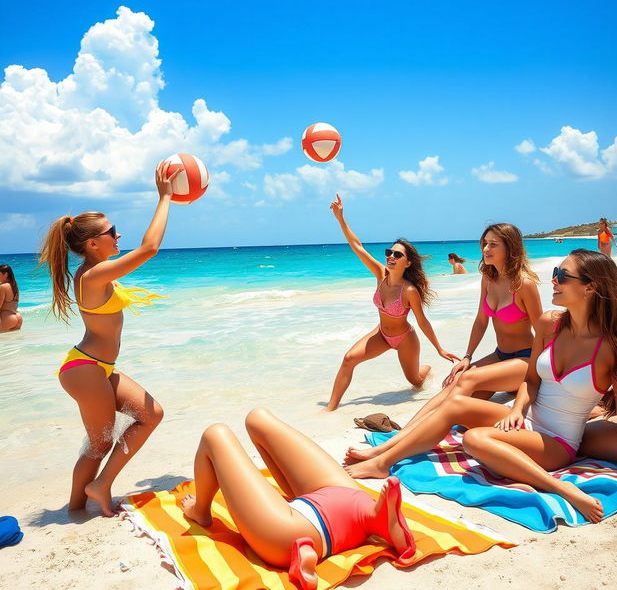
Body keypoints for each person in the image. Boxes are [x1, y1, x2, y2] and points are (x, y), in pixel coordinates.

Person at [344, 249, 617, 524]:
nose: (553, 280)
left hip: (557, 443)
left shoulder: (615, 347)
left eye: (562, 276)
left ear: (590, 287)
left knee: (474, 440)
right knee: (455, 404)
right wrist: (518, 408)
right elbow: (532, 380)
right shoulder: (550, 323)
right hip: (523, 421)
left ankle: (561, 488)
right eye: (555, 272)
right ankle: (384, 460)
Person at [38, 162, 177, 516]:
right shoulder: (92, 275)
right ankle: (77, 507)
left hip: (99, 367)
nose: (118, 237)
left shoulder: (95, 272)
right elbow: (149, 248)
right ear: (93, 243)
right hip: (84, 368)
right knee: (98, 444)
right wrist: (165, 198)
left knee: (151, 414)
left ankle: (95, 489)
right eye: (113, 232)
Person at [345, 224, 542, 462]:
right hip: (501, 355)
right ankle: (405, 433)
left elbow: (541, 331)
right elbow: (481, 321)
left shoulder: (524, 284)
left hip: (524, 358)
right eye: (484, 243)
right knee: (453, 383)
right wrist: (467, 357)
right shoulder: (488, 279)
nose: (485, 248)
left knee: (467, 380)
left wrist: (541, 375)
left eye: (493, 244)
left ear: (510, 248)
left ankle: (389, 450)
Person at [180, 408, 416, 590]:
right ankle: (377, 519)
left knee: (215, 434)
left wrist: (201, 506)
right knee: (257, 419)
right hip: (347, 502)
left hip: (292, 534)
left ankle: (200, 511)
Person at [325, 194, 459, 411]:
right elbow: (357, 246)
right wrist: (340, 218)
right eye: (390, 252)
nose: (391, 257)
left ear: (407, 262)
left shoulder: (409, 291)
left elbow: (422, 322)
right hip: (381, 335)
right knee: (349, 358)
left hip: (405, 339)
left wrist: (439, 349)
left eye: (398, 254)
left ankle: (427, 370)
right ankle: (330, 408)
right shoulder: (380, 274)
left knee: (415, 381)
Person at [0, 264, 22, 332]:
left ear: (6, 274)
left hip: (7, 318)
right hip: (18, 317)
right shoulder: (14, 286)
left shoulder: (3, 287)